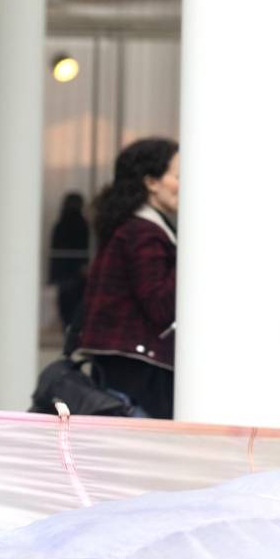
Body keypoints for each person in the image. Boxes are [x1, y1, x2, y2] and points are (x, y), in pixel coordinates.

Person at [77, 137, 180, 420]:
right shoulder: (144, 232)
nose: (184, 185)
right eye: (178, 176)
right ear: (151, 182)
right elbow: (160, 304)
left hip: (122, 366)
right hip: (139, 374)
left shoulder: (127, 225)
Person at [50, 191, 91, 336]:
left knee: (67, 309)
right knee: (75, 308)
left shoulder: (61, 224)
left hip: (66, 274)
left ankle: (69, 335)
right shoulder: (81, 224)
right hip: (76, 274)